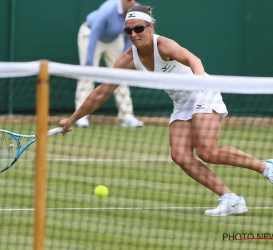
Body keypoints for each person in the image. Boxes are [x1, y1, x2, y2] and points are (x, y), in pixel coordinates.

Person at [59, 5, 273, 216]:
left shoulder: (163, 45)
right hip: (181, 103)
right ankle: (231, 199)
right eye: (128, 31)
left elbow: (193, 60)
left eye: (139, 29)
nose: (133, 34)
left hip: (201, 91)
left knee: (208, 151)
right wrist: (72, 119)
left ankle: (266, 167)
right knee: (180, 155)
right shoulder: (127, 59)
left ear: (150, 26)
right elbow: (101, 93)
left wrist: (199, 84)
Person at [75, 0, 144, 128]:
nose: (132, 2)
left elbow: (135, 34)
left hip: (113, 39)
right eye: (129, 0)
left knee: (120, 75)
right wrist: (88, 61)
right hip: (90, 35)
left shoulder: (137, 10)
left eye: (134, 0)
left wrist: (124, 56)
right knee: (87, 75)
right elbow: (95, 32)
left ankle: (127, 116)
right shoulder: (108, 8)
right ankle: (81, 117)